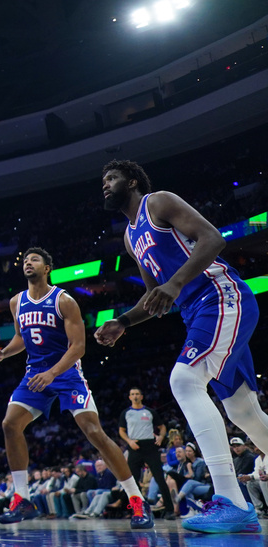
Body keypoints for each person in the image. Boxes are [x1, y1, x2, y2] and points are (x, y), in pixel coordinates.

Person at [96, 159, 268, 534]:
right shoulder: (129, 237)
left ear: (133, 180)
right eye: (103, 181)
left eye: (111, 178)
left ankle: (232, 501)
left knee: (184, 381)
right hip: (196, 312)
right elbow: (152, 295)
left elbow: (213, 239)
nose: (105, 185)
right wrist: (123, 322)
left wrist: (174, 285)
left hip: (221, 297)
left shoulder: (158, 202)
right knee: (243, 412)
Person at [0, 247, 153, 529]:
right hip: (35, 375)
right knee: (9, 424)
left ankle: (137, 500)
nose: (28, 263)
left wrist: (53, 373)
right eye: (25, 260)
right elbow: (20, 338)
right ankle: (22, 498)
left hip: (65, 374)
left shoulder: (64, 301)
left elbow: (78, 347)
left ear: (47, 267)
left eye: (34, 259)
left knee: (94, 433)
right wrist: (3, 353)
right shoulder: (17, 302)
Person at [119, 387, 175, 519]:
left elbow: (162, 427)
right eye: (132, 394)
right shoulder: (126, 413)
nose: (135, 396)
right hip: (134, 446)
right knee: (133, 480)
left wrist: (161, 437)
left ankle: (170, 509)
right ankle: (136, 510)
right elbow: (121, 430)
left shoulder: (150, 412)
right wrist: (129, 441)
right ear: (129, 397)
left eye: (137, 393)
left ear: (141, 396)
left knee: (160, 478)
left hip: (150, 446)